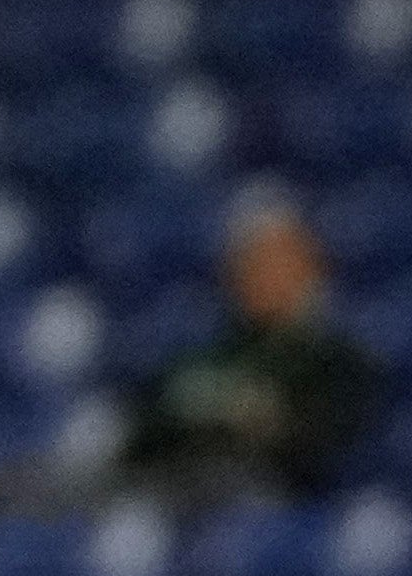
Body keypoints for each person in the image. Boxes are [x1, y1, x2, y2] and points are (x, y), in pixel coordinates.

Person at [117, 197, 384, 501]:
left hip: (280, 504)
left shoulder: (337, 361)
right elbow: (145, 427)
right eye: (254, 263)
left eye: (282, 264)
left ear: (313, 270)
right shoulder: (207, 355)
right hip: (180, 492)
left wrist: (266, 420)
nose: (268, 277)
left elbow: (334, 445)